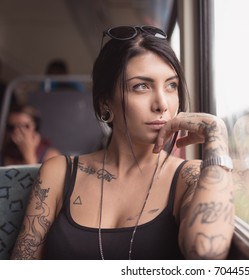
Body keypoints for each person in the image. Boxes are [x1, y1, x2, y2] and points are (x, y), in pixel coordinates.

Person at [11, 25, 235, 260]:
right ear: (106, 102)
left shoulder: (190, 176)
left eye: (171, 85)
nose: (162, 104)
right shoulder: (58, 172)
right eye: (141, 86)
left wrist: (216, 133)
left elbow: (207, 252)